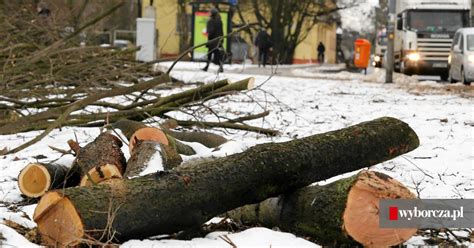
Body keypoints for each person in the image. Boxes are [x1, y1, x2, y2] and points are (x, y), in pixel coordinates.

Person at [203, 8, 224, 73]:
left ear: (212, 14)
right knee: (218, 54)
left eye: (210, 12)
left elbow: (210, 31)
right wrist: (221, 40)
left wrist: (207, 32)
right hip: (218, 40)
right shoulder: (219, 21)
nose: (209, 13)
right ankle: (220, 67)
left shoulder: (211, 21)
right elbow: (221, 32)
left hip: (212, 40)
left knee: (209, 53)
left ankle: (207, 67)